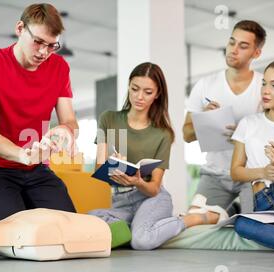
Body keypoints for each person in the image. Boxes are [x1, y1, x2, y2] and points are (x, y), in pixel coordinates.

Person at [89, 62, 224, 251]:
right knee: (90, 220)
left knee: (141, 241)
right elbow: (98, 167)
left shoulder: (162, 134)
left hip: (151, 198)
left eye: (148, 92)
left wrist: (137, 181)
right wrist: (113, 165)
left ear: (157, 94)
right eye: (135, 89)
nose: (139, 97)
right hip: (120, 201)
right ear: (129, 86)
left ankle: (195, 217)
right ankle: (138, 226)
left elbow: (153, 188)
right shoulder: (109, 119)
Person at [0, 3, 78, 222]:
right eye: (38, 42)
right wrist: (24, 156)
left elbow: (69, 121)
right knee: (13, 232)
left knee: (68, 227)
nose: (43, 52)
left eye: (51, 45)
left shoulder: (60, 67)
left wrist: (65, 132)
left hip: (37, 169)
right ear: (20, 28)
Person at [182, 20, 267, 217]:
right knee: (193, 228)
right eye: (231, 42)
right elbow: (186, 135)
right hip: (215, 175)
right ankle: (227, 211)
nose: (233, 50)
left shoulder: (264, 87)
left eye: (243, 46)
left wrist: (243, 133)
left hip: (251, 175)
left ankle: (234, 210)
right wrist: (204, 120)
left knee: (251, 228)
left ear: (256, 53)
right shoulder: (205, 85)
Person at [231, 59, 274, 251]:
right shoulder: (249, 123)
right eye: (263, 83)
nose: (265, 90)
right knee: (242, 224)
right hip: (264, 201)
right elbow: (236, 172)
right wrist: (265, 172)